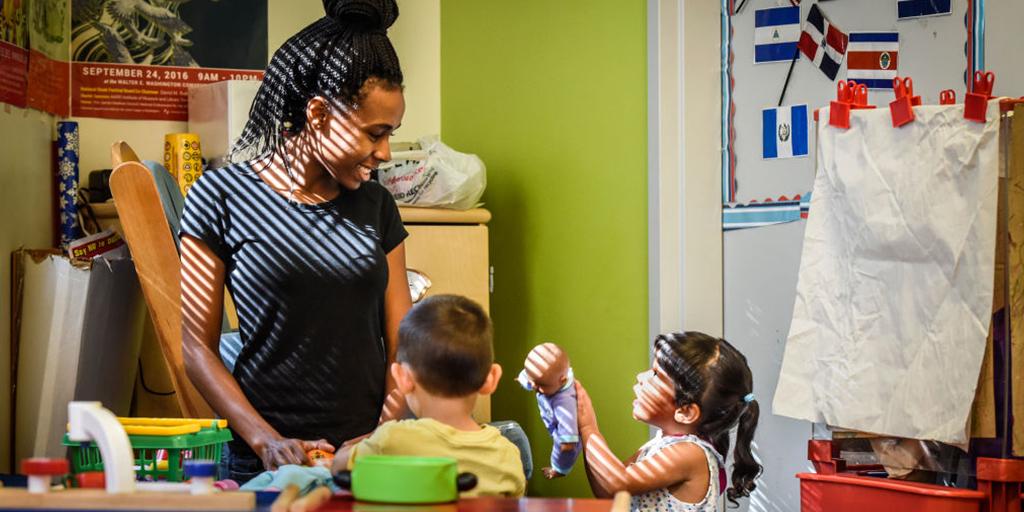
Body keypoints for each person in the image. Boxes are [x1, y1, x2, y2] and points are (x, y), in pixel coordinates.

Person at [179, 0, 412, 483]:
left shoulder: (376, 207)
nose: (385, 153)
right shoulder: (221, 195)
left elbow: (402, 344)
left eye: (391, 134)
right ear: (320, 114)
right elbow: (196, 349)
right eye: (375, 133)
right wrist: (266, 440)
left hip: (363, 459)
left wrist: (379, 436)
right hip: (263, 459)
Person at [333, 295, 527, 497]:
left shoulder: (392, 440)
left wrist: (353, 446)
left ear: (403, 378)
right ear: (491, 379)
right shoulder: (508, 455)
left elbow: (339, 468)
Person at [576, 332, 761, 511]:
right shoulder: (661, 445)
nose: (641, 377)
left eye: (655, 374)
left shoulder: (690, 453)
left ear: (686, 411)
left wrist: (588, 427)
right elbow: (608, 490)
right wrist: (582, 431)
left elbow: (617, 483)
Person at [516, 342, 580, 479]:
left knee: (563, 455)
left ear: (562, 381)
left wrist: (566, 443)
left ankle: (558, 470)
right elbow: (533, 378)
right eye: (531, 381)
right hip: (551, 417)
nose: (534, 387)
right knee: (535, 381)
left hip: (564, 434)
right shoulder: (547, 378)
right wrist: (524, 379)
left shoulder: (564, 402)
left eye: (540, 385)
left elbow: (569, 429)